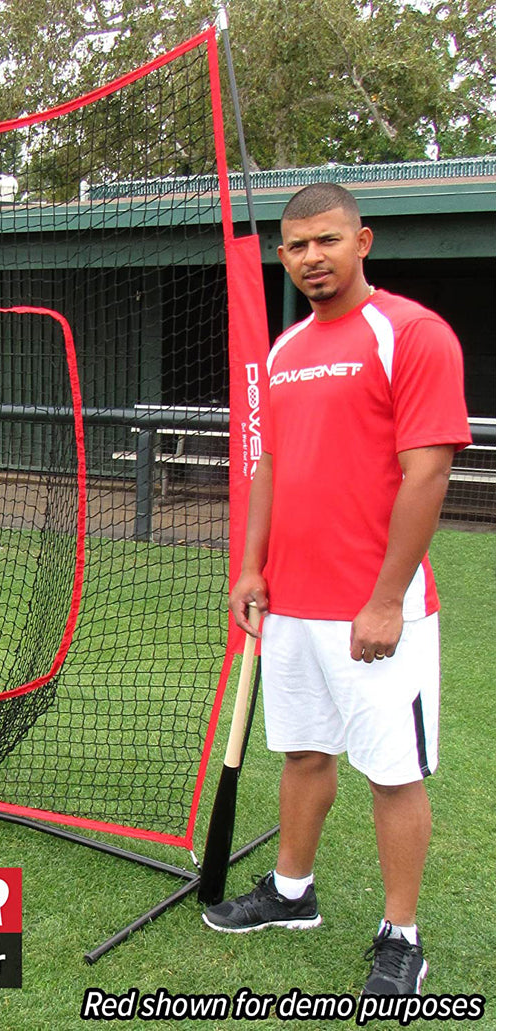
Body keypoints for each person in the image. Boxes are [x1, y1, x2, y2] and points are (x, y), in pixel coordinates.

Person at [202, 182, 472, 996]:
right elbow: (270, 467)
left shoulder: (411, 333)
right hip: (290, 602)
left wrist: (385, 599)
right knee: (303, 752)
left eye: (326, 239)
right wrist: (252, 567)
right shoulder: (285, 350)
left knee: (391, 771)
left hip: (375, 609)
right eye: (296, 245)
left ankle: (401, 936)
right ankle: (291, 891)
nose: (311, 256)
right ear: (282, 255)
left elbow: (427, 473)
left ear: (362, 241)